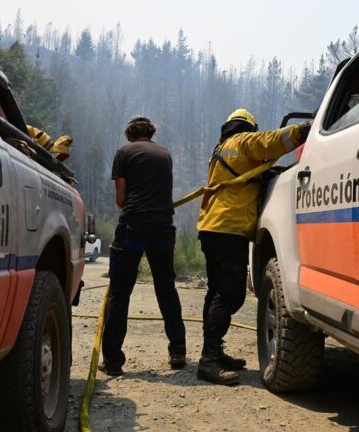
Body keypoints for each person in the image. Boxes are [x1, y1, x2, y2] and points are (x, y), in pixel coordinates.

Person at [196, 109, 310, 385]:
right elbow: (271, 142)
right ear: (247, 127)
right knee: (230, 295)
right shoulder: (243, 142)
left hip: (212, 227)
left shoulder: (220, 150)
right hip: (229, 229)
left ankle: (213, 353)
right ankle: (208, 361)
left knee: (215, 293)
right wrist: (304, 130)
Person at [99, 116, 186, 376]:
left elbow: (121, 199)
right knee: (166, 288)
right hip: (163, 225)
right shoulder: (165, 154)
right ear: (151, 133)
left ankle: (113, 362)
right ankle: (178, 351)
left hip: (134, 225)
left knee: (120, 292)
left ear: (129, 134)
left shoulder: (124, 153)